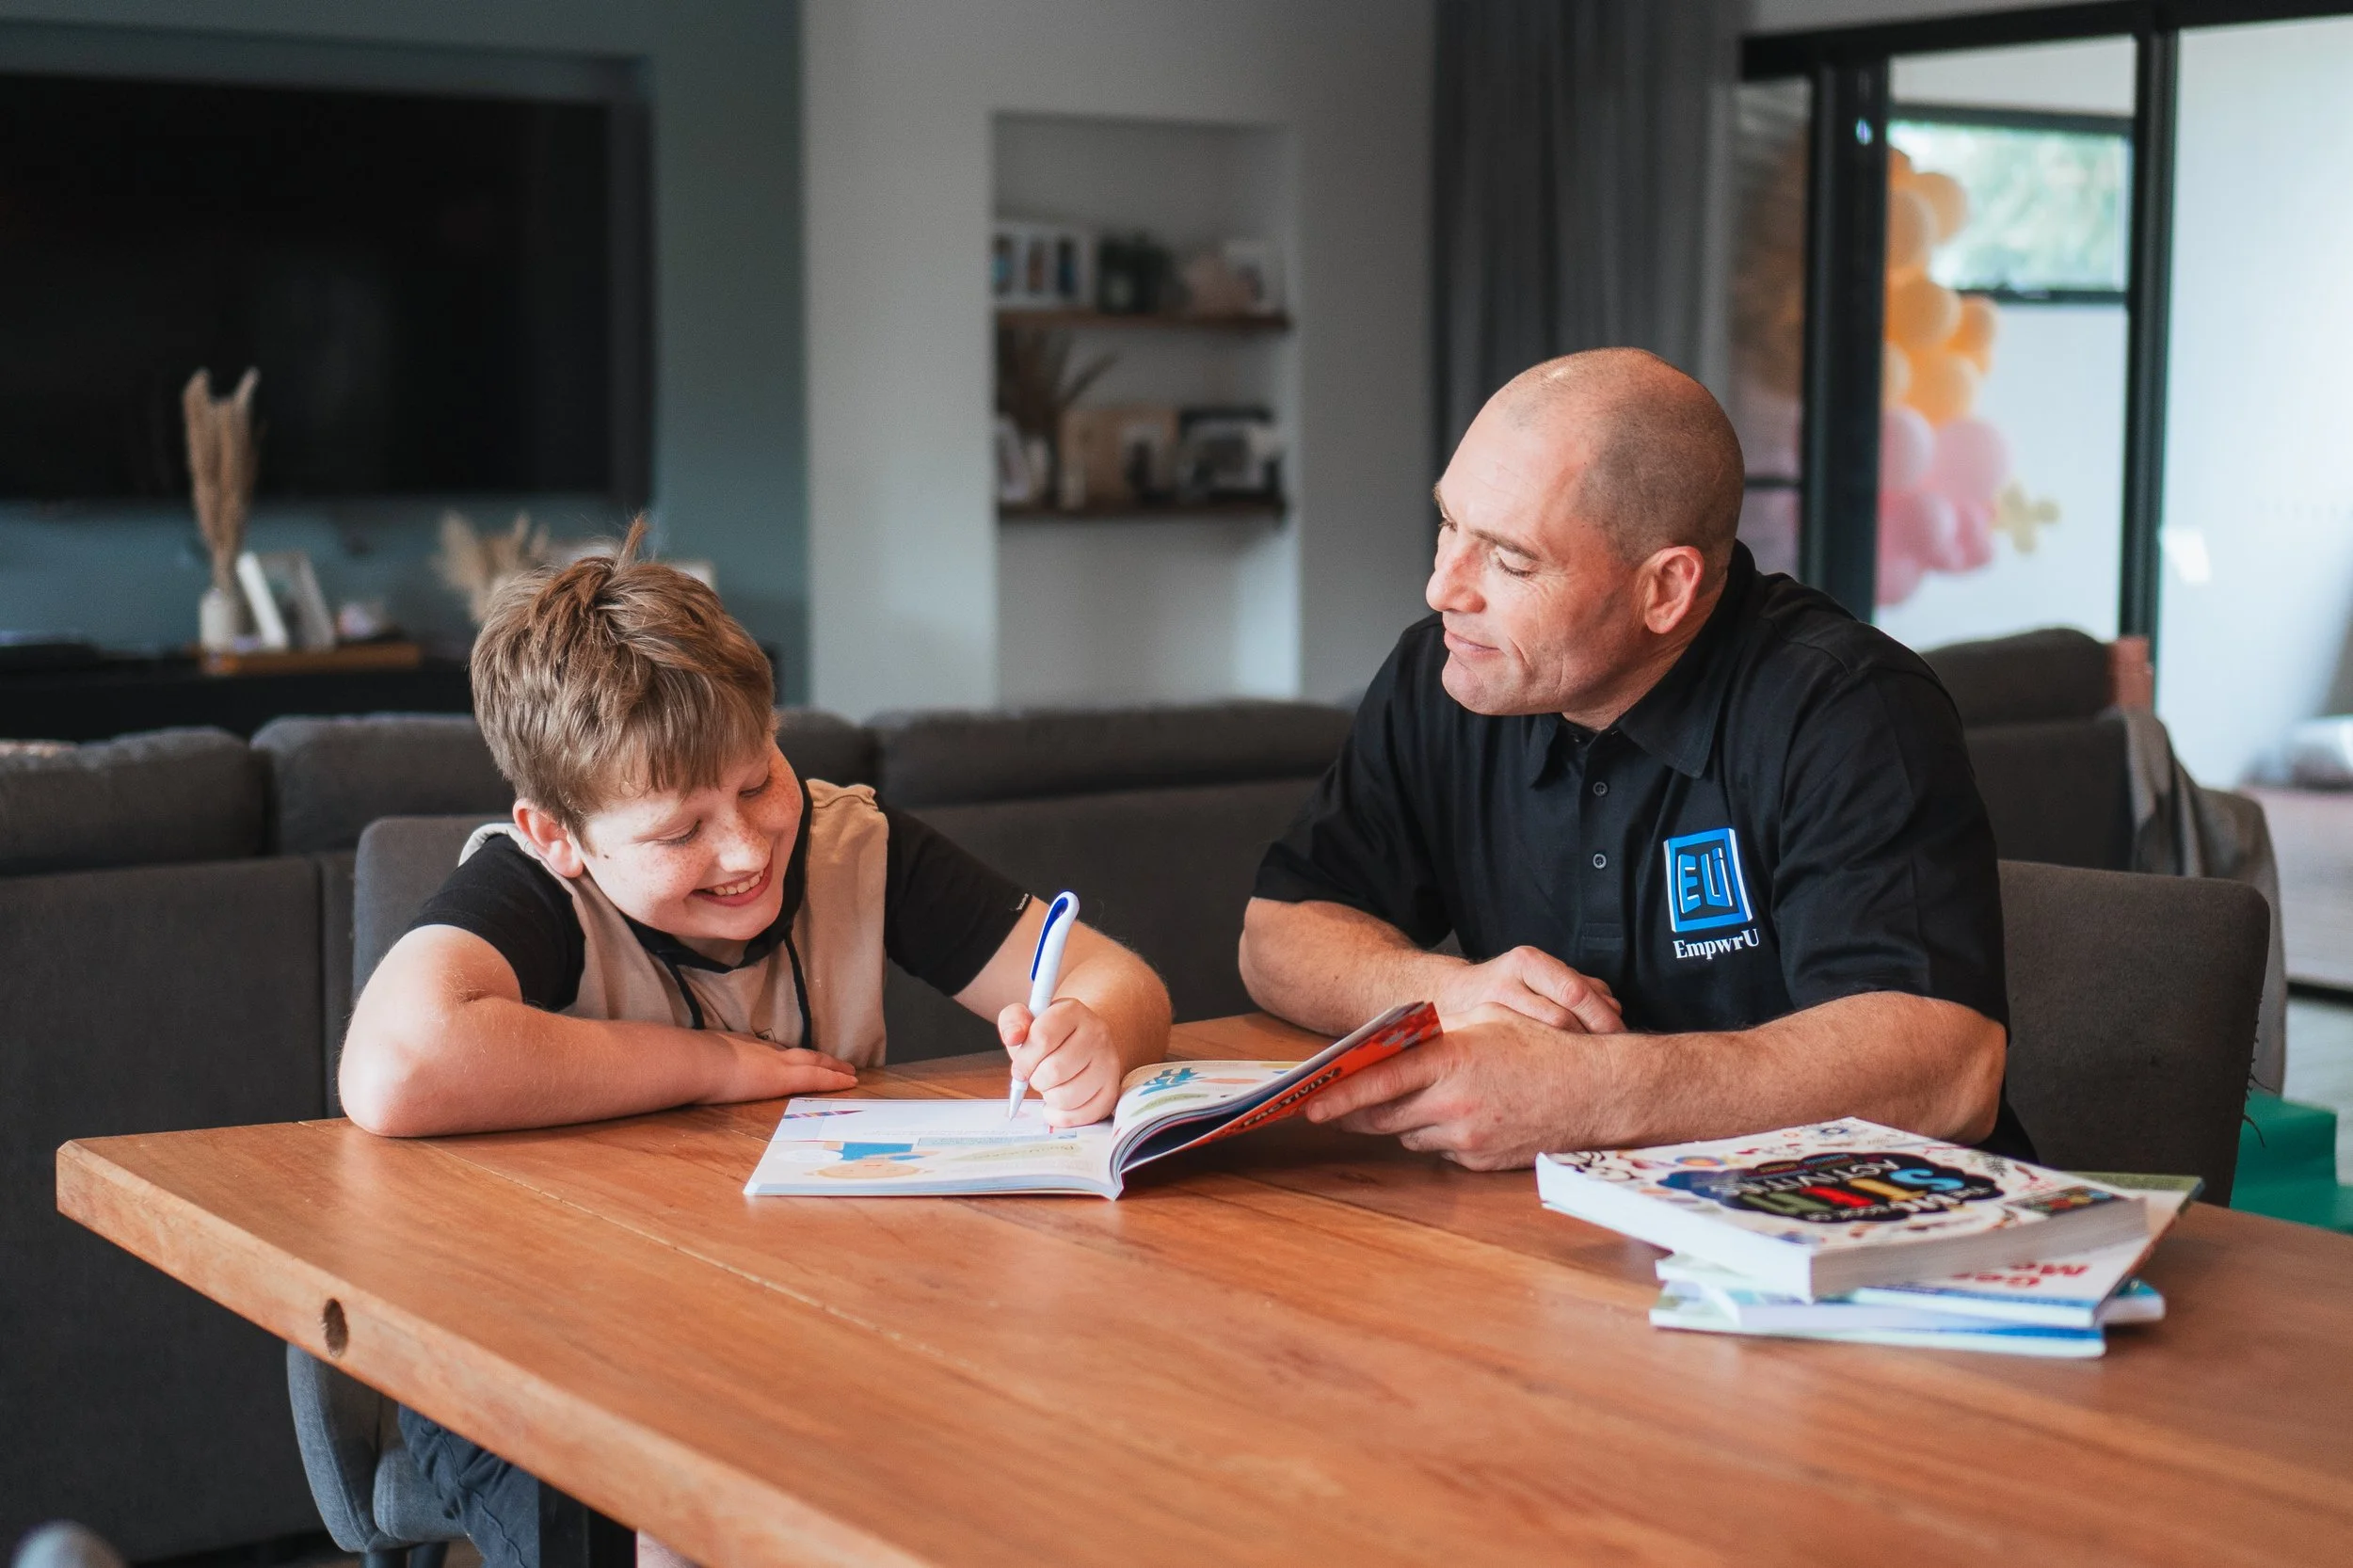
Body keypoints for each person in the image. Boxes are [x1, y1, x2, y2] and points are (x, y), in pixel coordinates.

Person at [339, 520, 1170, 1567]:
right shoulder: (536, 891)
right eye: (679, 832)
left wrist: (1093, 1030)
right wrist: (720, 1066)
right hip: (534, 1334)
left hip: (791, 1325)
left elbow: (1116, 974)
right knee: (650, 1522)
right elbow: (396, 1064)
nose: (743, 847)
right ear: (560, 836)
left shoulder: (850, 847)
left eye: (756, 781)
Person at [1240, 348, 2029, 1173]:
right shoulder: (1450, 672)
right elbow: (1278, 934)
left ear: (1665, 591)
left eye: (1510, 560)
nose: (1445, 588)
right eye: (1448, 524)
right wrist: (1449, 990)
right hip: (1564, 1231)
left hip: (1851, 1240)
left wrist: (1588, 1096)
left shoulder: (1849, 707)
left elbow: (1950, 1070)